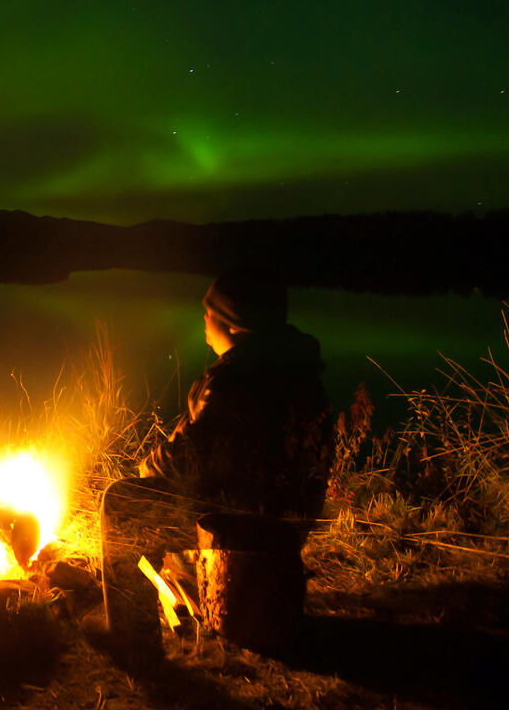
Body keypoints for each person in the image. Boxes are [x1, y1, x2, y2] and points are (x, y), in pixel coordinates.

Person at [93, 268, 333, 667]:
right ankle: (197, 587)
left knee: (121, 502)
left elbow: (186, 457)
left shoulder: (235, 381)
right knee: (166, 501)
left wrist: (143, 472)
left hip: (246, 520)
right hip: (293, 517)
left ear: (234, 324)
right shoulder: (303, 371)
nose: (203, 319)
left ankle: (131, 638)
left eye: (209, 312)